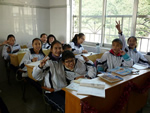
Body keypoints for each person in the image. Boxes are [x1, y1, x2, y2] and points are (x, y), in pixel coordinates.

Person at [32, 40, 67, 113]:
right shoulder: (47, 62)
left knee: (77, 104)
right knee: (66, 107)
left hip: (64, 90)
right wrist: (40, 67)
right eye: (56, 48)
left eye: (60, 48)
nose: (58, 50)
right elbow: (36, 77)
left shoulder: (62, 60)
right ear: (51, 49)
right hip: (52, 92)